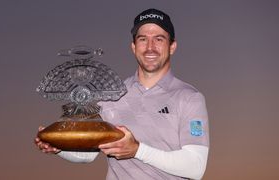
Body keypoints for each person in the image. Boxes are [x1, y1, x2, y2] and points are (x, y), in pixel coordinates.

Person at [35, 8, 209, 180]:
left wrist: (137, 150)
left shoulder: (189, 98)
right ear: (133, 47)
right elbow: (88, 154)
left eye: (159, 39)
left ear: (172, 46)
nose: (150, 47)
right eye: (143, 39)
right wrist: (59, 147)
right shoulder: (113, 94)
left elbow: (195, 167)